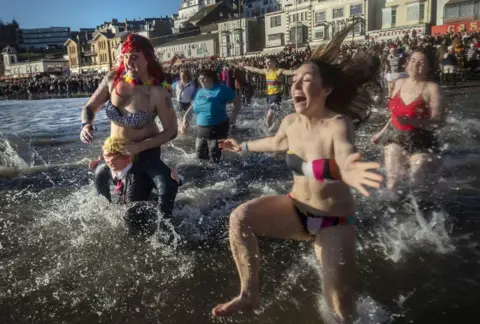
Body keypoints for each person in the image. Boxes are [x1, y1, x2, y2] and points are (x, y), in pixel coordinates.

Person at [212, 20, 383, 322]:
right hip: (295, 209)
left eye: (306, 80)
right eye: (295, 80)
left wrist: (352, 170)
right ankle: (249, 296)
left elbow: (344, 154)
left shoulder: (336, 124)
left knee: (341, 311)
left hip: (333, 222)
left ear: (326, 89)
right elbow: (276, 143)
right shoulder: (290, 121)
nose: (296, 85)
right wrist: (243, 147)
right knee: (240, 218)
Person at [79, 34, 179, 222]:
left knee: (132, 216)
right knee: (105, 203)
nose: (128, 62)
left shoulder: (157, 92)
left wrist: (138, 147)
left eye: (135, 57)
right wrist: (86, 124)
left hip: (144, 155)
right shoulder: (113, 80)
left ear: (148, 58)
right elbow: (89, 107)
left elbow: (171, 131)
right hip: (114, 152)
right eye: (125, 56)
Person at [372, 49, 446, 204]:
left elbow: (439, 121)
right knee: (393, 185)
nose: (415, 65)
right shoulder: (398, 83)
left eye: (421, 62)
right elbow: (394, 115)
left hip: (423, 142)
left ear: (429, 68)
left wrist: (414, 122)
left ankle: (422, 220)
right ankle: (394, 217)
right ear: (407, 63)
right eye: (413, 60)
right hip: (396, 137)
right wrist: (381, 132)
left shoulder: (432, 88)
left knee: (419, 190)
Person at [90, 136, 182, 235]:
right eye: (106, 157)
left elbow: (167, 184)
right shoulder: (105, 169)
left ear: (127, 158)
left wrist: (164, 222)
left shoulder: (143, 169)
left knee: (131, 212)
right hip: (133, 192)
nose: (109, 162)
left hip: (143, 194)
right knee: (121, 203)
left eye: (113, 159)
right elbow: (102, 199)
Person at [180, 69, 241, 162]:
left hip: (218, 128)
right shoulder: (200, 92)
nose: (202, 81)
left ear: (212, 77)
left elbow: (237, 101)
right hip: (201, 131)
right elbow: (193, 105)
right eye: (200, 79)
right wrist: (185, 118)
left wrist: (233, 117)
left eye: (204, 78)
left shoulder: (221, 89)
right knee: (199, 155)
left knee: (214, 156)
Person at [237, 55, 294, 129]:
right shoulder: (266, 71)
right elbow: (255, 69)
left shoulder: (278, 71)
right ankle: (282, 127)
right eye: (266, 62)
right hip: (269, 96)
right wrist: (244, 66)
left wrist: (298, 71)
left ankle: (268, 130)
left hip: (276, 96)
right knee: (276, 115)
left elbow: (288, 72)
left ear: (274, 62)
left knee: (270, 114)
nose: (267, 64)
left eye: (269, 62)